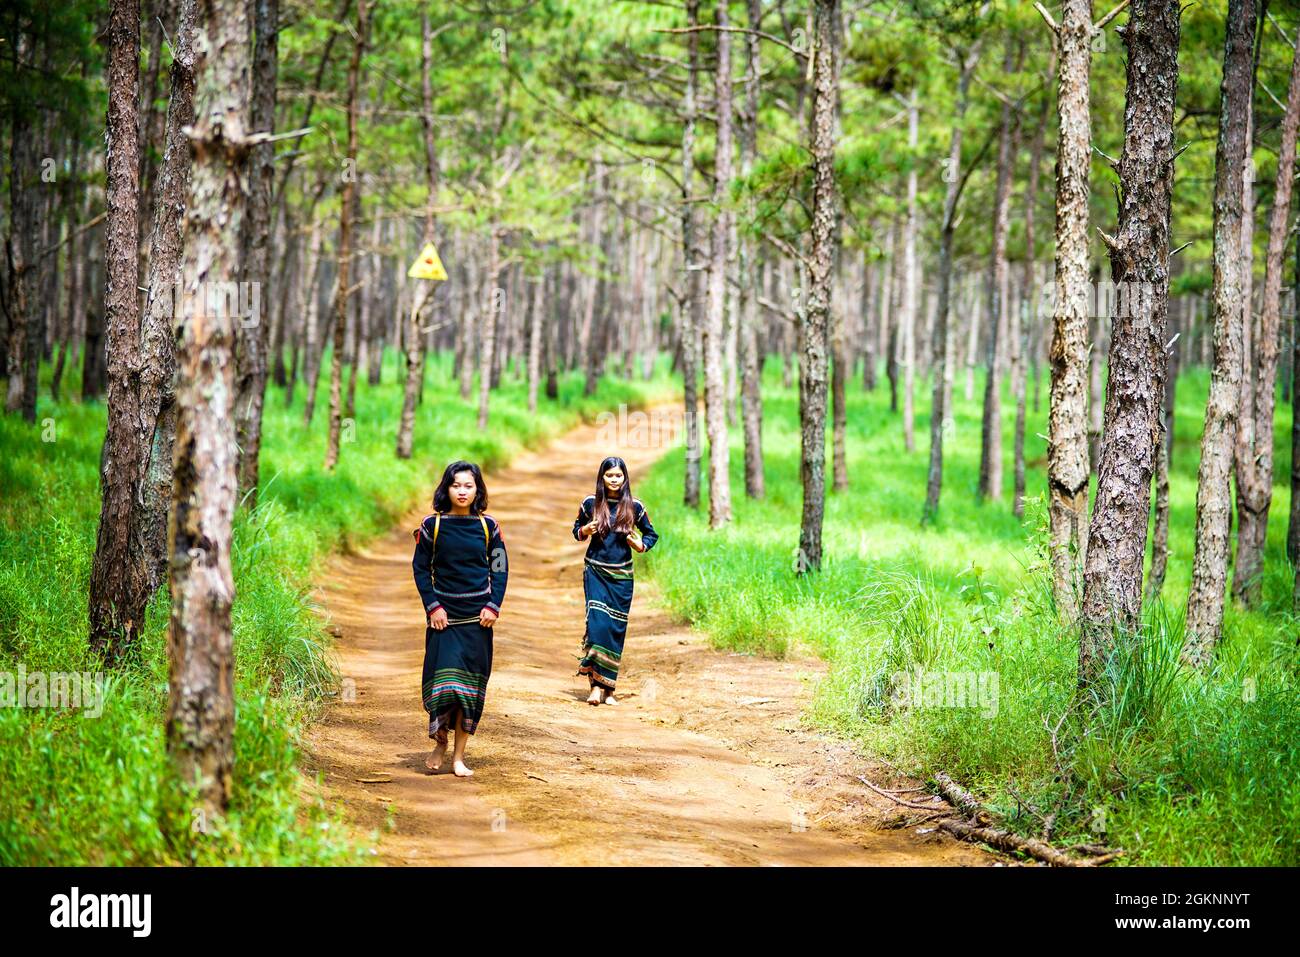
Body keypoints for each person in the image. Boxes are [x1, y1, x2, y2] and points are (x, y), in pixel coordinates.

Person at [412, 460, 507, 776]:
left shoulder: (489, 527)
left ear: (477, 488)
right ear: (446, 488)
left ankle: (458, 758)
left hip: (478, 622)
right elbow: (420, 569)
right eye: (456, 485)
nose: (462, 491)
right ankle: (439, 741)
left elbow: (499, 568)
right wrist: (433, 607)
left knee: (468, 691)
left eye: (468, 485)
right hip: (444, 621)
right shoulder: (432, 526)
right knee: (445, 688)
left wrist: (493, 605)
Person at [572, 456, 658, 705]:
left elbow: (651, 535)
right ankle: (596, 688)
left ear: (625, 478)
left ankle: (608, 688)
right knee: (598, 625)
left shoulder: (635, 507)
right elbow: (576, 529)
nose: (613, 479)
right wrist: (585, 530)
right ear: (602, 477)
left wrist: (640, 545)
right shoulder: (590, 503)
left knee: (614, 630)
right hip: (596, 572)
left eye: (618, 475)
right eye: (609, 475)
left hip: (622, 577)